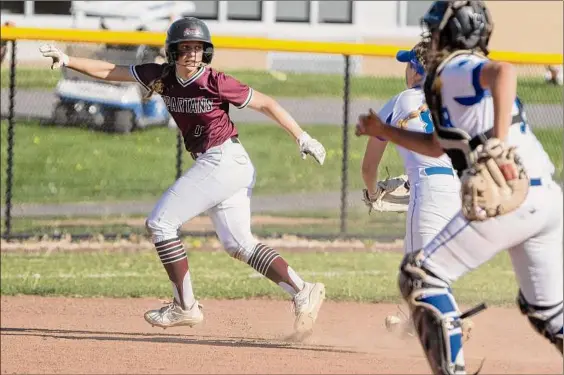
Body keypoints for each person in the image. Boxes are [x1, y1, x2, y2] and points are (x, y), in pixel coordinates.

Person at [39, 17, 327, 337]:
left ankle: (185, 306)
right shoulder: (161, 76)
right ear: (173, 51)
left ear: (206, 52)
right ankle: (303, 290)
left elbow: (266, 103)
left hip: (225, 159)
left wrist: (302, 137)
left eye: (198, 48)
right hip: (221, 164)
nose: (192, 54)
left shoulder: (214, 81)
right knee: (239, 244)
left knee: (161, 223)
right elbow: (111, 71)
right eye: (185, 48)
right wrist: (67, 60)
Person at [356, 1, 562, 373]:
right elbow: (437, 145)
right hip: (542, 198)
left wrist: (497, 145)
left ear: (451, 35)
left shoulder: (455, 67)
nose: (430, 38)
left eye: (435, 31)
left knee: (420, 276)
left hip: (512, 196)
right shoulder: (443, 87)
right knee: (548, 315)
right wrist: (385, 131)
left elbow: (503, 71)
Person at [361, 40, 461, 255]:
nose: (406, 71)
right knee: (431, 272)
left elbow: (368, 166)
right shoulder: (454, 102)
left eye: (408, 65)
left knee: (420, 276)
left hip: (428, 191)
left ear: (416, 73)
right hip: (460, 191)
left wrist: (373, 193)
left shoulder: (400, 101)